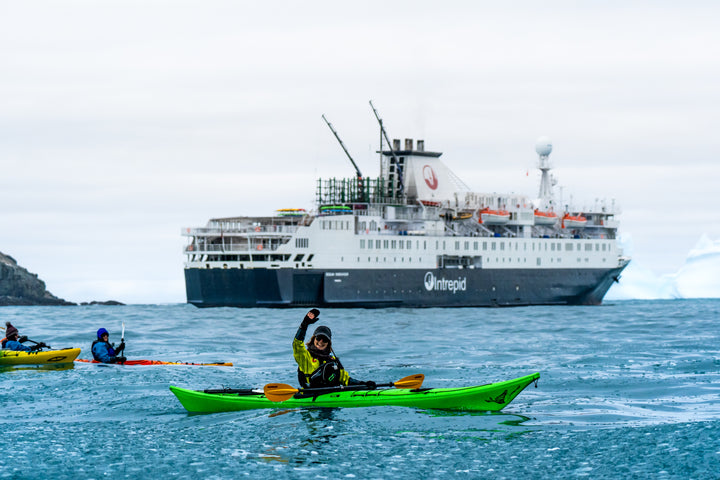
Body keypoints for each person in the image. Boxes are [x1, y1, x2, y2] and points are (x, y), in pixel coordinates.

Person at [293, 309, 375, 389]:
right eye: (319, 338)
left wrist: (363, 384)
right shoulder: (304, 357)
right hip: (310, 394)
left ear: (328, 343)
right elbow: (297, 344)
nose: (321, 342)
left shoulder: (333, 361)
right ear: (313, 339)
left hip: (331, 393)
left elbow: (345, 380)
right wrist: (304, 325)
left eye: (325, 340)